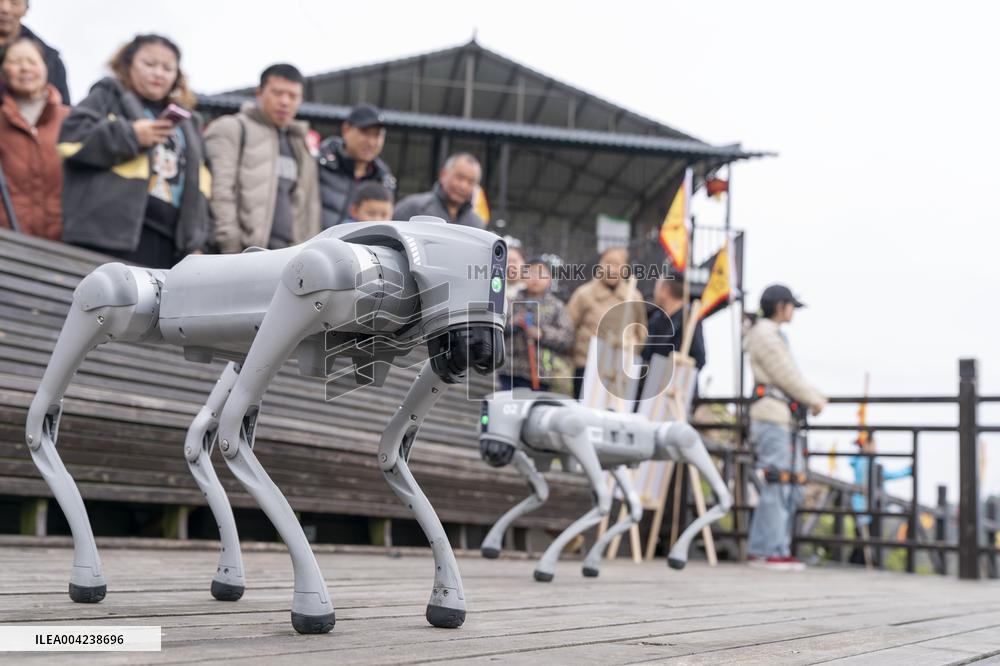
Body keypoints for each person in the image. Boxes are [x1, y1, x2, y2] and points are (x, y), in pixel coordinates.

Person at [59, 34, 211, 268]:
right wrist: (131, 136)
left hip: (170, 246)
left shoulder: (189, 123)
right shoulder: (106, 97)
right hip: (108, 237)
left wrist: (196, 240)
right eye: (149, 64)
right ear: (127, 64)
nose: (158, 73)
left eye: (168, 68)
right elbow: (70, 142)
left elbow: (202, 185)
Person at [744, 283, 827, 571]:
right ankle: (766, 550)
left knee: (789, 482)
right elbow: (786, 376)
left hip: (781, 416)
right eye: (791, 305)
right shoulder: (765, 334)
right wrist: (814, 399)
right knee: (778, 481)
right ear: (781, 305)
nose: (793, 311)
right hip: (772, 415)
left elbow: (790, 376)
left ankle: (777, 547)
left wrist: (813, 396)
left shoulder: (769, 333)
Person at [205, 63, 320, 253]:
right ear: (259, 93)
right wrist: (232, 248)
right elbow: (219, 191)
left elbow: (310, 207)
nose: (285, 101)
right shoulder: (231, 128)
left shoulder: (301, 144)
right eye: (277, 93)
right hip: (239, 255)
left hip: (288, 259)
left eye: (293, 96)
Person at [0, 36, 69, 239]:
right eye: (15, 62)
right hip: (7, 242)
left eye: (32, 61)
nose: (25, 68)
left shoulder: (72, 120)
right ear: (3, 71)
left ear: (46, 67)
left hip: (66, 243)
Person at [565, 246, 647, 399]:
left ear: (625, 269)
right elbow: (569, 328)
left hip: (622, 368)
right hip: (587, 366)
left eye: (618, 264)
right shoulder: (584, 294)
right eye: (608, 263)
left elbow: (640, 331)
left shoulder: (634, 297)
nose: (612, 269)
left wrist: (631, 351)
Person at [499, 258, 575, 392]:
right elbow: (495, 328)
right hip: (509, 371)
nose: (535, 278)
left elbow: (567, 337)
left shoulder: (556, 307)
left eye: (541, 274)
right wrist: (511, 323)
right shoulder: (511, 302)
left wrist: (542, 333)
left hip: (540, 375)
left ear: (550, 279)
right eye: (532, 273)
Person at [317, 103, 396, 227]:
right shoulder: (319, 164)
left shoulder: (384, 181)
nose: (371, 142)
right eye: (365, 132)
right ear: (346, 130)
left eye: (377, 135)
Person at [0, 0, 68, 103]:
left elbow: (65, 111)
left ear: (26, 9)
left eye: (14, 2)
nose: (5, 9)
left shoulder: (50, 59)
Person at [393, 152, 485, 227]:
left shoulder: (477, 224)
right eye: (459, 178)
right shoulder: (413, 208)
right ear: (443, 174)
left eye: (470, 182)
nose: (463, 186)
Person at [641, 274, 706, 370]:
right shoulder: (656, 319)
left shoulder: (689, 320)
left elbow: (699, 359)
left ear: (665, 290)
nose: (654, 292)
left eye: (657, 287)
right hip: (653, 380)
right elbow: (646, 353)